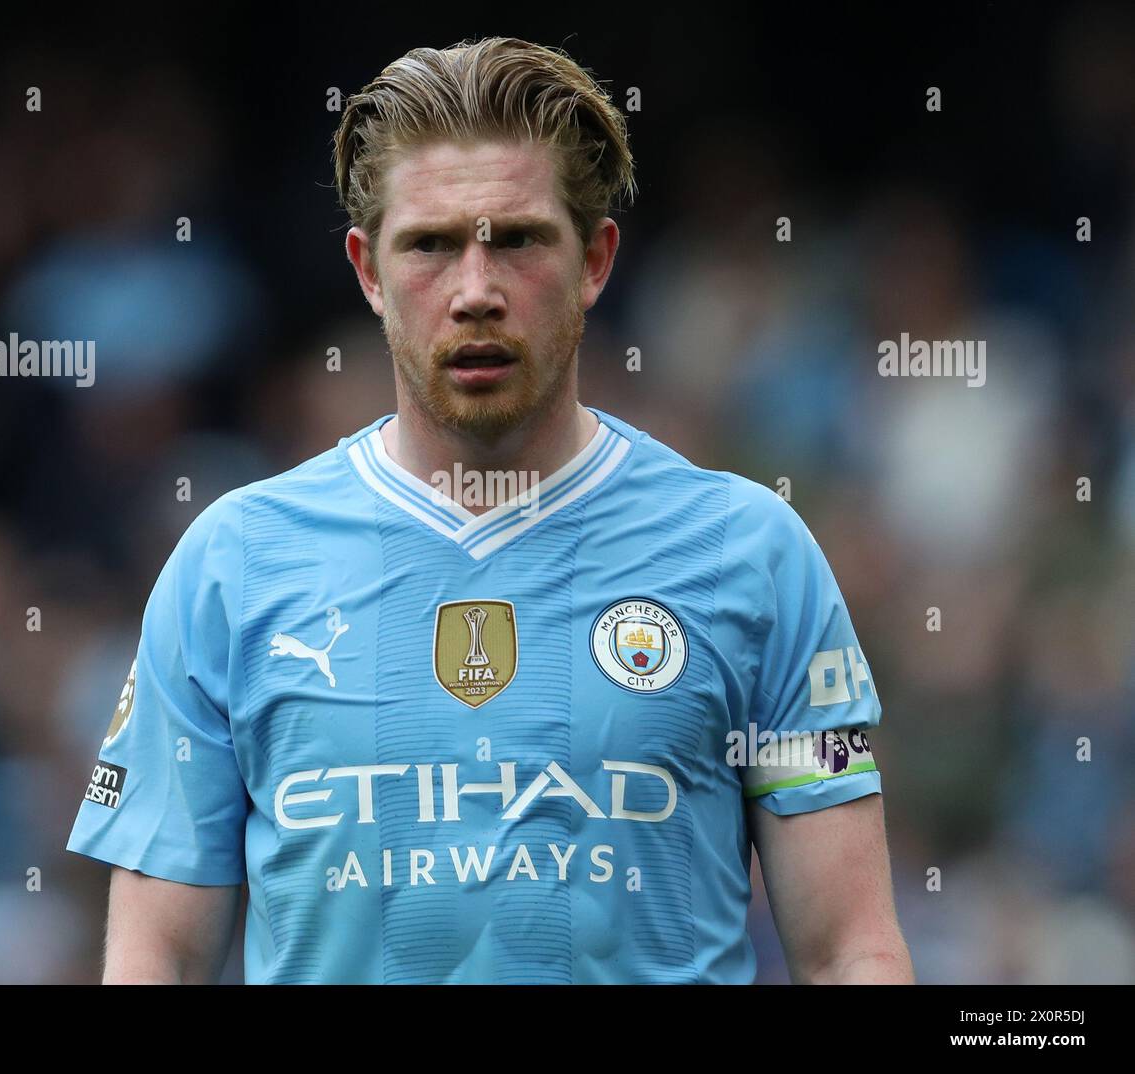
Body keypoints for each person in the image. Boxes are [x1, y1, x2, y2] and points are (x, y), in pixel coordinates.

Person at [66, 36, 913, 985]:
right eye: (429, 245)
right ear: (369, 273)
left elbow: (848, 952)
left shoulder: (750, 553)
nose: (475, 292)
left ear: (594, 260)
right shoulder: (232, 562)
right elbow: (155, 960)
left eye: (517, 240)